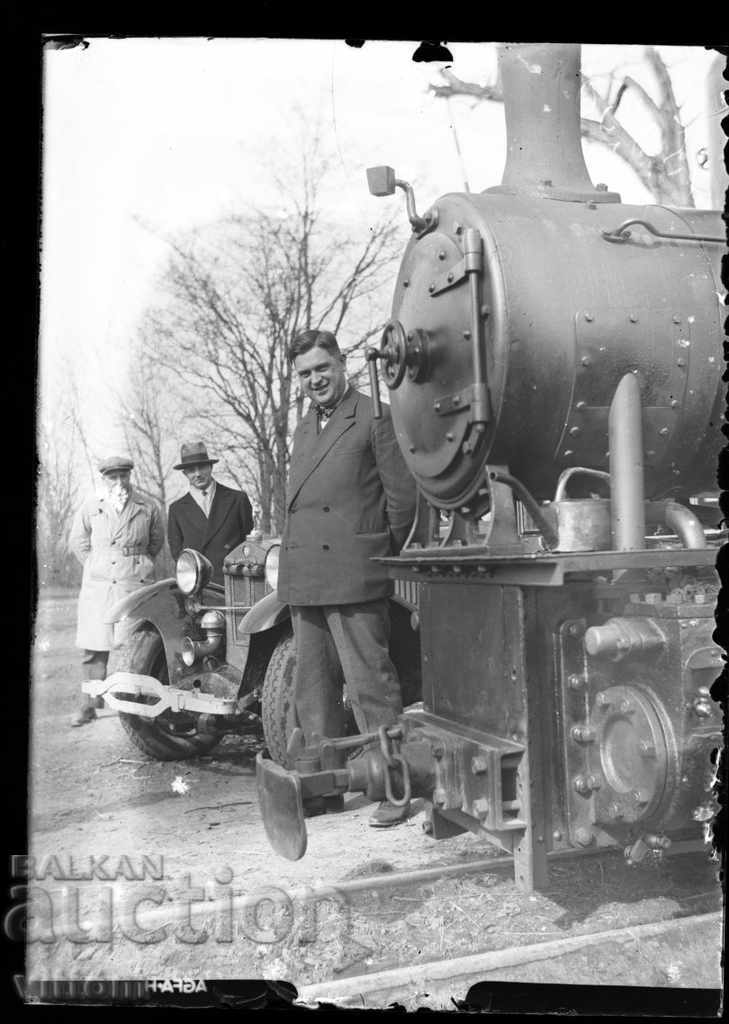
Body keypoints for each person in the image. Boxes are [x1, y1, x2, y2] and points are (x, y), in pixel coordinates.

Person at [277, 329, 417, 827]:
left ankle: (395, 786)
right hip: (306, 575)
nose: (314, 380)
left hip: (356, 573)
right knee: (311, 690)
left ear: (342, 365)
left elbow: (403, 500)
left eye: (322, 368)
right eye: (305, 374)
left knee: (369, 688)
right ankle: (324, 785)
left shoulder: (374, 416)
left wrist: (381, 554)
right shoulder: (303, 429)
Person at [69, 455, 165, 727]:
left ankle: (132, 706)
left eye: (124, 475)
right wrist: (96, 563)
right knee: (93, 645)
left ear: (130, 476)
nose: (119, 481)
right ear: (105, 479)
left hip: (133, 582)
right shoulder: (91, 505)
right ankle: (89, 704)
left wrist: (135, 562)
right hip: (99, 583)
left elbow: (156, 542)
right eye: (113, 477)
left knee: (135, 644)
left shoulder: (148, 506)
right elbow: (78, 541)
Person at [167, 442, 254, 585]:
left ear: (210, 467)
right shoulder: (177, 510)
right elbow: (178, 554)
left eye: (201, 467)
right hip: (199, 586)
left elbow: (249, 543)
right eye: (191, 470)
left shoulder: (237, 499)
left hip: (234, 582)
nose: (197, 474)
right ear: (184, 474)